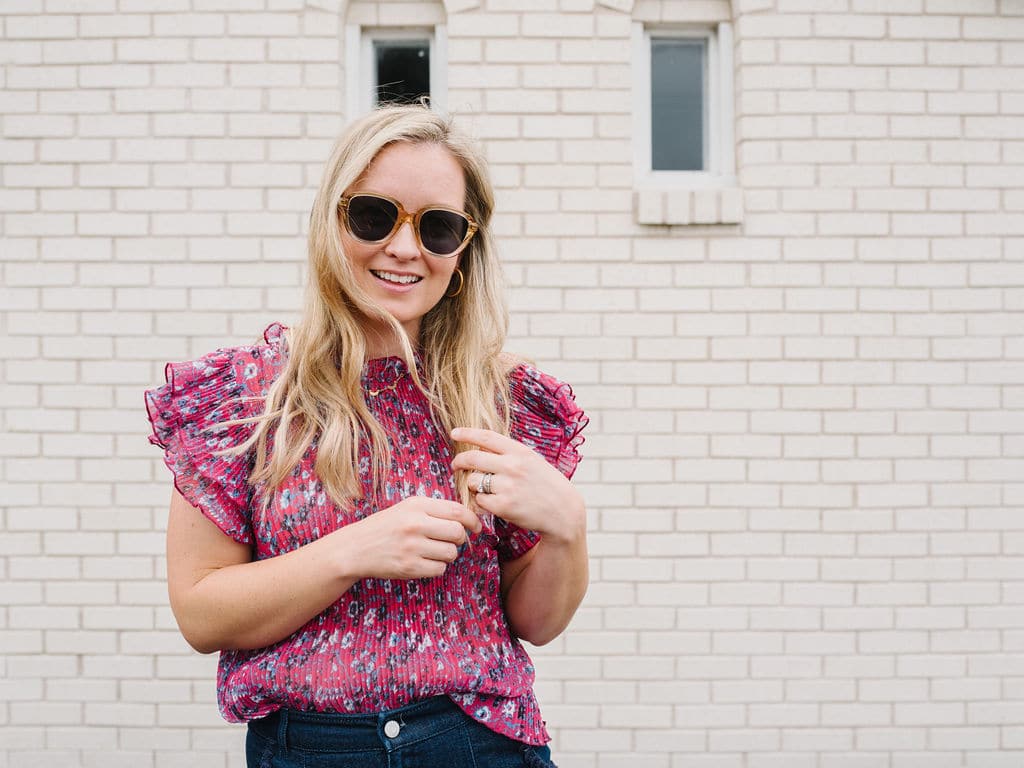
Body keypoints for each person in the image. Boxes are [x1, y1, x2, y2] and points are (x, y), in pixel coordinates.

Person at [145, 105, 588, 768]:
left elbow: (538, 623)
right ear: (333, 220)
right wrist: (353, 551)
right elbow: (202, 615)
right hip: (310, 750)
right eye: (375, 215)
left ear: (463, 250)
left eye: (438, 227)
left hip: (477, 743)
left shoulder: (507, 400)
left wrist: (568, 528)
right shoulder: (244, 397)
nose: (406, 248)